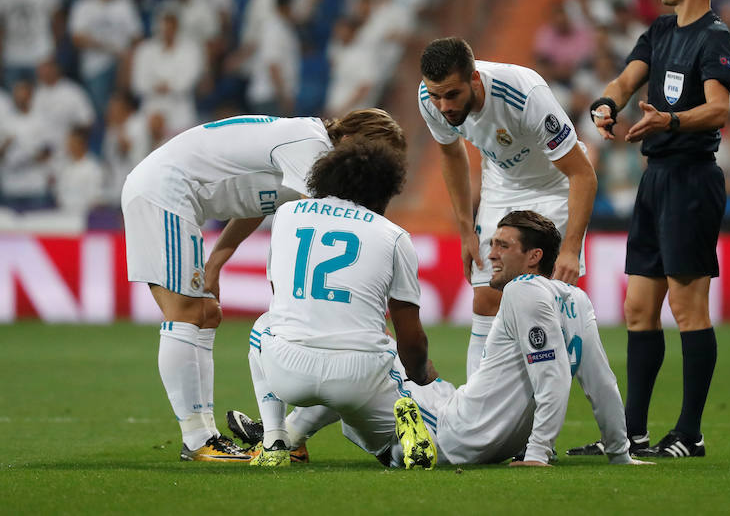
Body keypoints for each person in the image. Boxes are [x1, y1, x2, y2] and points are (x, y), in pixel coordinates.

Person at [121, 108, 405, 462]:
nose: (370, 167)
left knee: (207, 313)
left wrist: (217, 261)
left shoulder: (304, 151)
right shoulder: (311, 148)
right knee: (186, 313)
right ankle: (197, 440)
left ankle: (206, 436)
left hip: (175, 195)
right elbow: (337, 226)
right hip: (163, 190)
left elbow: (257, 200)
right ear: (349, 138)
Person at [573, 0, 730, 459]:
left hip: (692, 178)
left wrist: (669, 118)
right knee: (638, 307)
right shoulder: (661, 30)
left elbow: (718, 110)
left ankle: (690, 434)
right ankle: (632, 434)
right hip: (656, 180)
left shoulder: (716, 37)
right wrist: (606, 103)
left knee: (688, 308)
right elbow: (626, 80)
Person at [392, 210, 649, 468]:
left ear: (534, 256)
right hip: (497, 445)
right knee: (426, 381)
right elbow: (602, 383)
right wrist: (619, 453)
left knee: (380, 357)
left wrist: (537, 453)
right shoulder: (576, 298)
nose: (491, 254)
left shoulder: (522, 288)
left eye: (503, 246)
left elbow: (552, 376)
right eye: (492, 245)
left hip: (454, 431)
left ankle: (399, 444)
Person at [247, 139, 435, 467]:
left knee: (264, 325)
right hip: (359, 376)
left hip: (287, 370)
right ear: (385, 189)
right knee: (385, 352)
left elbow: (280, 296)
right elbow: (412, 338)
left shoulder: (287, 214)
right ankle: (400, 434)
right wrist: (419, 374)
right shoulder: (393, 235)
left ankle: (275, 438)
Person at [417, 37, 597, 380]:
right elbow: (450, 153)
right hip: (501, 186)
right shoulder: (430, 97)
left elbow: (582, 174)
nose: (443, 105)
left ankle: (544, 404)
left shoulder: (524, 94)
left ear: (474, 79)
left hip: (554, 186)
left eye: (452, 94)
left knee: (538, 305)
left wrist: (571, 249)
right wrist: (465, 230)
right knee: (485, 298)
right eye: (436, 95)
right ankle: (476, 406)